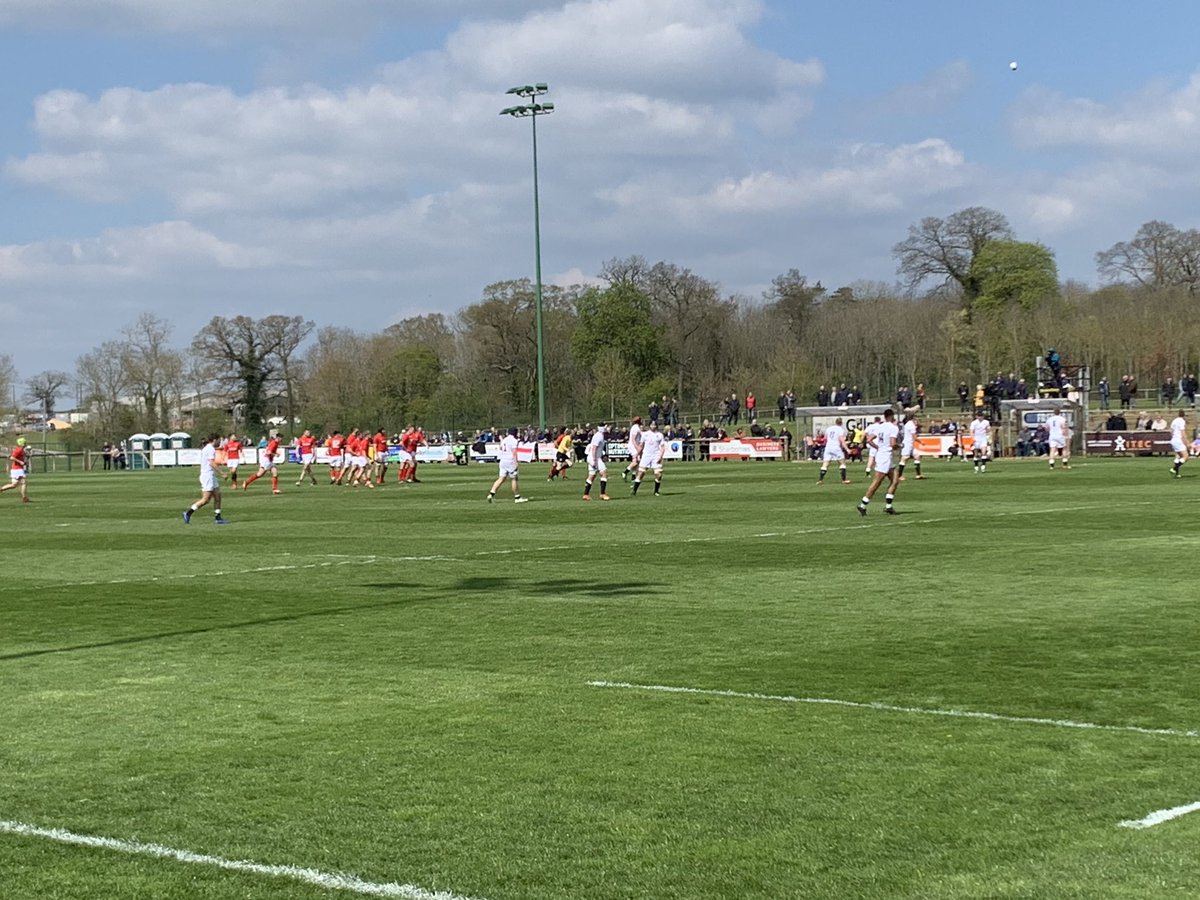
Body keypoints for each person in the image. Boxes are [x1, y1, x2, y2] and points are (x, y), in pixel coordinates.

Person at [856, 408, 899, 516]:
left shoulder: (880, 426)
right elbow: (893, 443)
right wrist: (898, 446)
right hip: (885, 457)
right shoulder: (893, 428)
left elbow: (869, 439)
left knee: (895, 480)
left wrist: (878, 447)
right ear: (892, 416)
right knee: (877, 482)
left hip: (884, 456)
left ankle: (888, 506)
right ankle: (862, 505)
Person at [182, 433, 228, 524]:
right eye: (219, 440)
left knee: (218, 496)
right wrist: (222, 473)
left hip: (210, 475)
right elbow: (211, 463)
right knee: (206, 499)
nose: (220, 442)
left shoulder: (208, 448)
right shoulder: (210, 449)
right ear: (214, 440)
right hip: (207, 476)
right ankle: (188, 513)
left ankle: (218, 518)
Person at [487, 427, 527, 502]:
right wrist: (516, 462)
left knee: (501, 478)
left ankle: (491, 494)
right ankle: (517, 497)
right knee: (514, 479)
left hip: (503, 461)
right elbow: (514, 452)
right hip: (510, 461)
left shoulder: (504, 440)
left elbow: (501, 449)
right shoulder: (514, 440)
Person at [631, 421, 667, 496]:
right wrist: (637, 454)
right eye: (652, 425)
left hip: (655, 456)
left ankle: (656, 491)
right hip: (646, 456)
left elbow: (662, 447)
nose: (653, 426)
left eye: (654, 425)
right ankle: (634, 491)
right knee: (641, 473)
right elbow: (641, 446)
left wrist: (660, 456)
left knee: (658, 474)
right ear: (649, 426)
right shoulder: (645, 434)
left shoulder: (659, 435)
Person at [817, 417, 851, 484]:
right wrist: (847, 449)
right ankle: (844, 480)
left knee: (825, 464)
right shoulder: (840, 430)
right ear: (841, 423)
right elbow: (842, 440)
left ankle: (820, 480)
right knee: (842, 463)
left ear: (835, 422)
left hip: (828, 447)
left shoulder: (829, 429)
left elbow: (825, 439)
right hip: (836, 447)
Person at [582, 423, 611, 501]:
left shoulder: (599, 435)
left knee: (592, 475)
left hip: (593, 457)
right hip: (595, 458)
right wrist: (594, 460)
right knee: (604, 473)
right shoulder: (599, 436)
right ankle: (602, 494)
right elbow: (594, 448)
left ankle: (586, 494)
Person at [1, 436, 32, 503]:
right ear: (22, 443)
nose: (26, 443)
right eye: (25, 442)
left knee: (14, 485)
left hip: (16, 469)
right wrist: (20, 462)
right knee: (24, 482)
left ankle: (1, 489)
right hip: (17, 469)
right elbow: (12, 457)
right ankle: (24, 498)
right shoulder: (19, 450)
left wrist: (24, 462)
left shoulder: (21, 450)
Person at [897, 411, 925, 481]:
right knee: (904, 458)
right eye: (916, 419)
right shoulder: (911, 426)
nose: (917, 421)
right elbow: (914, 437)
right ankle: (899, 476)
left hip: (910, 444)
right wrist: (921, 442)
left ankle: (918, 475)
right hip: (907, 444)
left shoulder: (909, 424)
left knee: (917, 456)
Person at [621, 416, 644, 482]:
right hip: (633, 446)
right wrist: (637, 448)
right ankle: (625, 472)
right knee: (636, 461)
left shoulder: (636, 427)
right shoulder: (635, 428)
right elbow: (633, 439)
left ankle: (633, 477)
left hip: (634, 446)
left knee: (637, 461)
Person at [969, 409, 992, 473]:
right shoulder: (974, 423)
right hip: (976, 438)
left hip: (983, 438)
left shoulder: (986, 422)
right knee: (976, 453)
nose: (980, 417)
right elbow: (971, 431)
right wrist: (973, 438)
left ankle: (983, 466)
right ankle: (976, 467)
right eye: (979, 416)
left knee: (983, 452)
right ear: (976, 416)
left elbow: (989, 430)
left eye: (981, 416)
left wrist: (990, 438)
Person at [1170, 410, 1189, 478]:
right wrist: (1186, 442)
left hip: (1173, 440)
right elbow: (1182, 433)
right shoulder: (1182, 421)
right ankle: (1174, 468)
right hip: (1179, 440)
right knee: (1186, 457)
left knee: (1178, 456)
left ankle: (1177, 474)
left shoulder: (1174, 420)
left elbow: (1171, 431)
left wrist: (1174, 438)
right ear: (1184, 415)